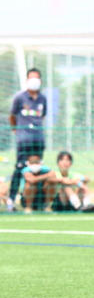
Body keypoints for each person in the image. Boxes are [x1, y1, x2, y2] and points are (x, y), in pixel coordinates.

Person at [7, 67, 48, 212]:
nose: (34, 81)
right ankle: (11, 200)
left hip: (38, 140)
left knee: (37, 169)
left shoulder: (43, 98)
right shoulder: (19, 97)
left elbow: (43, 116)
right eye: (31, 78)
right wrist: (16, 130)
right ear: (27, 80)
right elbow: (12, 116)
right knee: (20, 168)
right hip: (24, 140)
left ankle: (36, 202)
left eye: (36, 78)